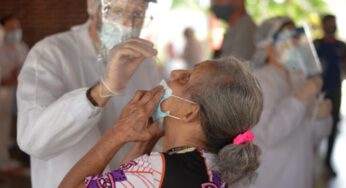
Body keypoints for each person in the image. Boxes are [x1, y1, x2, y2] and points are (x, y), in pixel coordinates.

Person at [16, 0, 161, 187]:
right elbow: (34, 140)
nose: (129, 23)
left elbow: (155, 129)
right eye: (117, 12)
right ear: (93, 6)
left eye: (138, 14)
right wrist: (102, 90)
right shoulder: (50, 53)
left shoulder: (145, 62)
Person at [59, 57, 263, 188]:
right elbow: (124, 180)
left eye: (186, 78)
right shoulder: (218, 169)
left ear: (189, 112)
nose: (175, 73)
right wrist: (143, 143)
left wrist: (119, 132)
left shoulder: (156, 169)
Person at [249, 17, 332, 188]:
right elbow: (269, 135)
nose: (296, 43)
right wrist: (298, 99)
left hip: (301, 175)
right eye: (289, 37)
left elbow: (314, 137)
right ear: (269, 47)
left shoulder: (299, 78)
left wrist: (322, 119)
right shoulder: (258, 81)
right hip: (270, 177)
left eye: (297, 36)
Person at [314, 14, 346, 175]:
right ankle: (312, 156)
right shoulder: (316, 45)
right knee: (314, 124)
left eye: (333, 24)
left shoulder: (341, 46)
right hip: (316, 93)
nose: (331, 27)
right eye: (328, 24)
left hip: (335, 91)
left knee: (333, 126)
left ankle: (328, 160)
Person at [0, 15, 29, 169]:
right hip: (3, 92)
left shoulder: (21, 46)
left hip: (17, 92)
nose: (15, 31)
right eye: (11, 28)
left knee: (10, 126)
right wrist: (8, 78)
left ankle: (7, 156)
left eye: (17, 27)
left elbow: (27, 68)